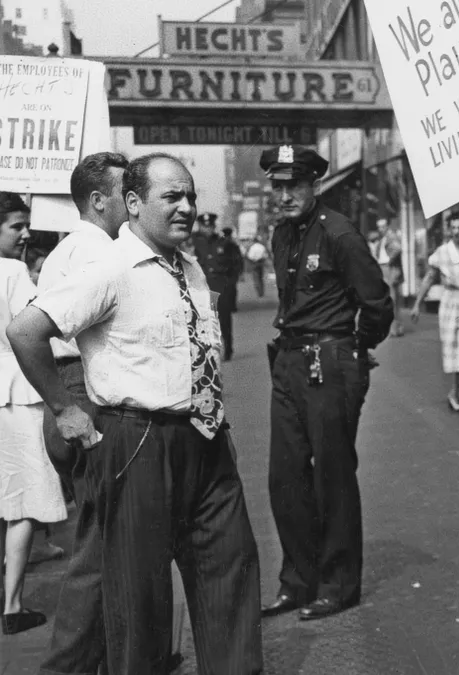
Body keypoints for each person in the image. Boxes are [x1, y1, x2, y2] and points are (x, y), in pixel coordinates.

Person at [7, 153, 262, 673]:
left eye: (191, 196)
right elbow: (25, 331)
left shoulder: (188, 265)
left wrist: (217, 424)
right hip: (138, 443)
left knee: (230, 572)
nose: (187, 207)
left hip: (205, 441)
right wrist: (64, 409)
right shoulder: (108, 267)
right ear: (133, 203)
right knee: (139, 599)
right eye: (173, 197)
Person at [258, 145, 394, 622]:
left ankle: (337, 585)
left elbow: (377, 303)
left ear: (316, 185)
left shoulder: (339, 233)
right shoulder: (281, 235)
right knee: (285, 477)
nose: (285, 194)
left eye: (294, 184)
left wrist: (353, 348)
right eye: (278, 185)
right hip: (289, 359)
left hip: (329, 358)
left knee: (332, 474)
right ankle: (298, 582)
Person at [35, 152, 129, 674]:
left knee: (108, 535)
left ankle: (123, 653)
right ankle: (67, 667)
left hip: (67, 391)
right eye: (124, 190)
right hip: (82, 390)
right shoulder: (98, 254)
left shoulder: (63, 251)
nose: (133, 199)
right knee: (100, 542)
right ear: (98, 200)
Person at [0, 193, 66, 636]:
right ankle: (12, 605)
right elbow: (35, 327)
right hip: (15, 390)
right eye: (15, 226)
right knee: (21, 502)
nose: (26, 234)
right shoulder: (12, 271)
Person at [409, 212, 459, 419]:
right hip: (451, 303)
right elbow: (429, 278)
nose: (456, 232)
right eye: (452, 228)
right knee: (457, 349)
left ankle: (455, 394)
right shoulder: (443, 253)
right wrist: (417, 303)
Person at [192, 213, 240, 360]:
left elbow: (236, 262)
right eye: (204, 226)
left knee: (224, 319)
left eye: (210, 226)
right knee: (204, 321)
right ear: (200, 227)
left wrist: (231, 282)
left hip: (221, 287)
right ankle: (209, 351)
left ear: (213, 226)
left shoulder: (224, 243)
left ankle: (228, 348)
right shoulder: (192, 242)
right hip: (201, 288)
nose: (208, 229)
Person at [368, 224, 406, 337]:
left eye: (383, 226)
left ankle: (394, 329)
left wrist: (389, 260)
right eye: (379, 227)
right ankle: (396, 328)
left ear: (387, 226)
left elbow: (398, 248)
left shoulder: (390, 236)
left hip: (388, 269)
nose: (380, 229)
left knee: (391, 300)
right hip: (384, 268)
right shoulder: (382, 239)